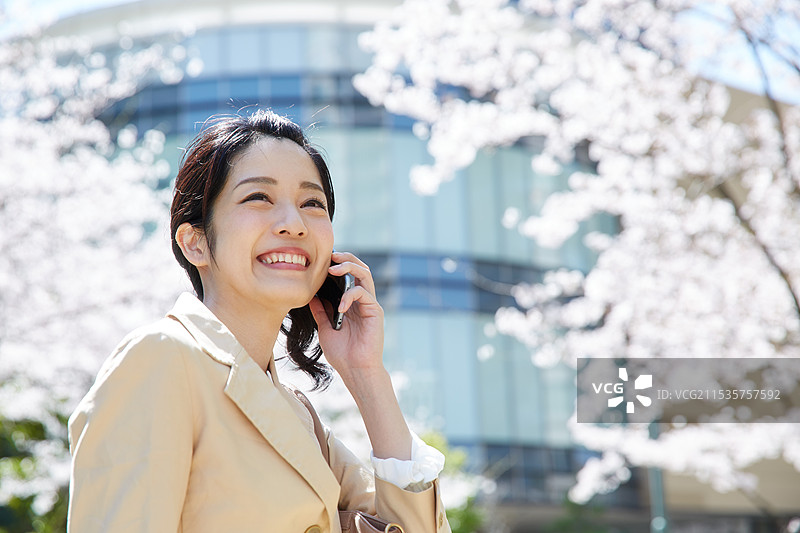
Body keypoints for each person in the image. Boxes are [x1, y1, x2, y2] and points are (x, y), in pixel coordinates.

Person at [67, 109, 452, 532]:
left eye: (312, 203)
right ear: (195, 242)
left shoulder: (300, 414)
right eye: (258, 198)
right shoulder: (160, 360)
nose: (294, 224)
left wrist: (367, 376)